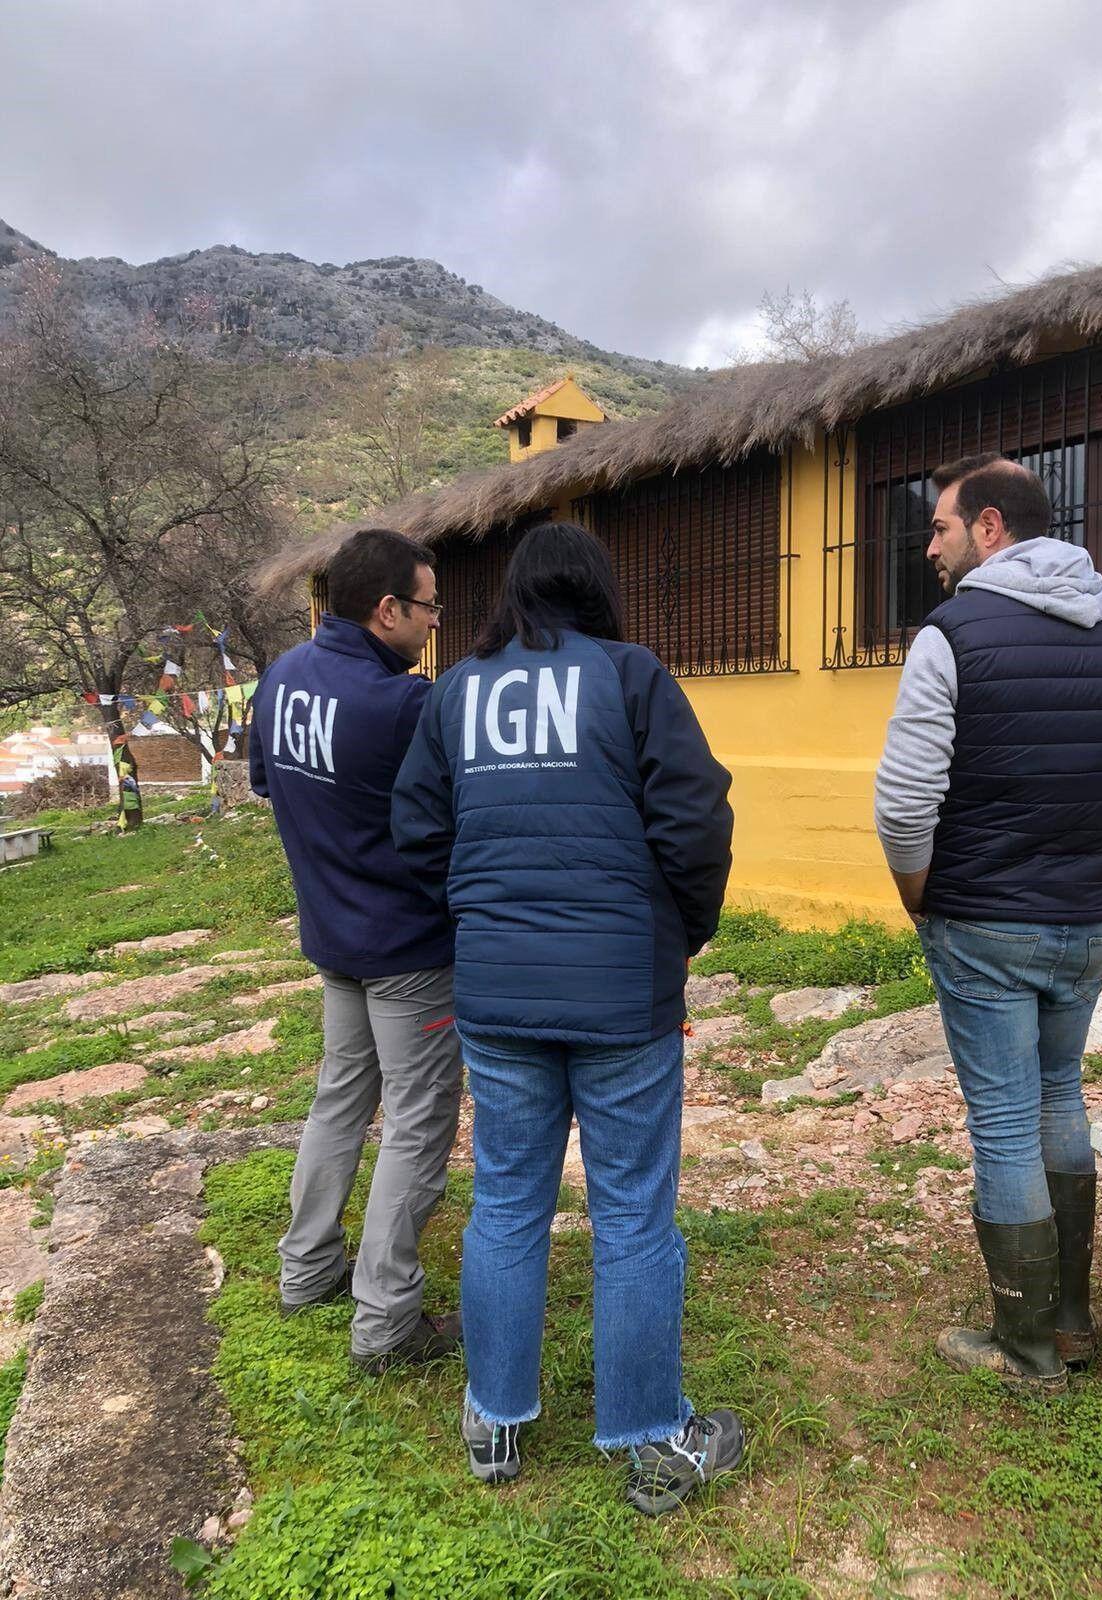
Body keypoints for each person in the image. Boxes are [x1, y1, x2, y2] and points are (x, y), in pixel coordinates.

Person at [391, 521, 744, 1515]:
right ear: (596, 591)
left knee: (506, 1200)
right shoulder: (632, 677)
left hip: (498, 992)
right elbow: (695, 820)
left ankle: (494, 1420)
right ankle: (651, 1442)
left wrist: (477, 912)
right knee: (633, 1210)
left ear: (513, 593)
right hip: (624, 990)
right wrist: (683, 931)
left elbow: (417, 831)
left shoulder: (455, 691)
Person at [875, 453, 1102, 1394]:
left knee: (1005, 1119)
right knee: (1060, 1098)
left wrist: (918, 893)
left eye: (941, 526)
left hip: (982, 921)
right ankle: (1075, 1321)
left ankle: (1028, 1347)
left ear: (992, 527)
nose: (929, 545)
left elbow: (904, 800)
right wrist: (1101, 871)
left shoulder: (952, 634)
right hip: (1086, 920)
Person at [248, 527, 463, 1373]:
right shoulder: (404, 706)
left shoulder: (282, 678)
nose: (434, 621)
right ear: (387, 611)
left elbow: (272, 787)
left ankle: (306, 1269)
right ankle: (386, 1321)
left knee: (340, 1099)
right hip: (409, 950)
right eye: (428, 605)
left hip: (333, 935)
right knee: (416, 1124)